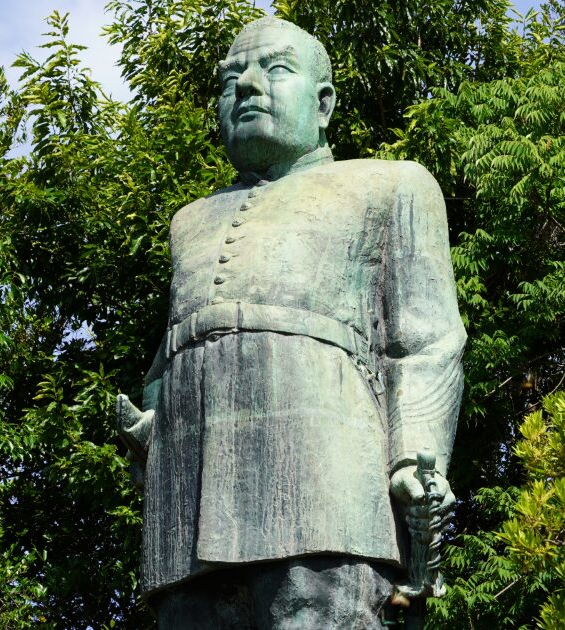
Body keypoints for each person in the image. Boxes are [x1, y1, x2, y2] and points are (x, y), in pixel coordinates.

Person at [116, 16, 466, 629]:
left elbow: (424, 342)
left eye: (275, 70)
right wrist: (151, 423)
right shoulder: (188, 222)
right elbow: (169, 356)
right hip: (185, 500)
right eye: (231, 79)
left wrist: (413, 459)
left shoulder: (389, 185)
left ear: (324, 102)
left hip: (325, 488)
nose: (248, 87)